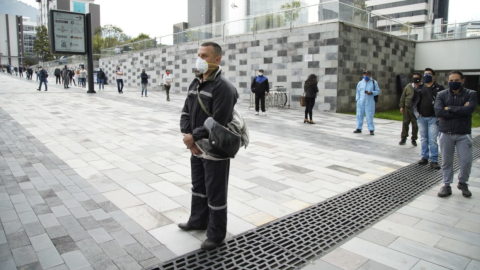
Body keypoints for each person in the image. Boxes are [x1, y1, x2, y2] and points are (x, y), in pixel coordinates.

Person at [179, 42, 238, 251]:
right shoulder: (196, 83)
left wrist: (192, 138)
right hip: (196, 147)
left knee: (216, 193)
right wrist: (187, 136)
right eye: (199, 55)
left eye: (204, 55)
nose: (200, 59)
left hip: (215, 150)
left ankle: (216, 235)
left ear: (217, 59)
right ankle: (197, 220)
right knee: (199, 187)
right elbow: (186, 112)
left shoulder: (224, 88)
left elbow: (218, 121)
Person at [434, 71, 477, 198]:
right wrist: (460, 110)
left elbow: (469, 110)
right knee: (447, 161)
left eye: (456, 80)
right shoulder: (441, 94)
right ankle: (446, 185)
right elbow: (439, 112)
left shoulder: (471, 94)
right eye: (451, 80)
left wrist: (449, 108)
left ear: (462, 81)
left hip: (463, 133)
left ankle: (463, 182)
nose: (453, 83)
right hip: (445, 132)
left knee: (466, 161)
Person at [412, 68, 445, 169]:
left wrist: (440, 115)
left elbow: (444, 102)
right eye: (425, 74)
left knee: (433, 139)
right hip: (422, 118)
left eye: (429, 74)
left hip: (433, 118)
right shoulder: (419, 88)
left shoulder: (439, 88)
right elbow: (413, 102)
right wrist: (417, 114)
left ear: (433, 76)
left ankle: (434, 160)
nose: (426, 76)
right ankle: (424, 157)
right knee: (423, 138)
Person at [354, 70, 380, 135]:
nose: (366, 76)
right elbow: (358, 92)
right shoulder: (360, 83)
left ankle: (371, 129)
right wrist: (357, 100)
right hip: (361, 102)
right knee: (359, 115)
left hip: (369, 102)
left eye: (367, 75)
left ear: (370, 75)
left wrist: (371, 93)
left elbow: (378, 91)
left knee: (369, 116)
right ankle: (358, 128)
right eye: (365, 75)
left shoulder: (374, 82)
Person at [399, 72, 421, 146]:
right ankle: (403, 138)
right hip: (407, 108)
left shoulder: (422, 87)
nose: (415, 79)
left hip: (416, 109)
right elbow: (403, 97)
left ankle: (414, 139)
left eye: (417, 77)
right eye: (414, 77)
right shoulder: (408, 86)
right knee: (405, 123)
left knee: (415, 125)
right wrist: (401, 106)